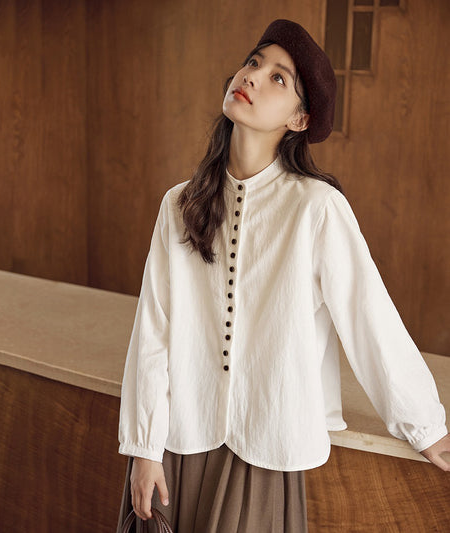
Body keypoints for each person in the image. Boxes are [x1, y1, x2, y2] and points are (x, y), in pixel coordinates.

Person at [116, 18, 450, 533]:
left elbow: (370, 319)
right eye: (253, 62)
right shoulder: (179, 204)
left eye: (278, 77)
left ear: (299, 119)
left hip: (264, 451)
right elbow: (153, 331)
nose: (251, 76)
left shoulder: (316, 208)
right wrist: (143, 447)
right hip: (174, 447)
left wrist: (425, 425)